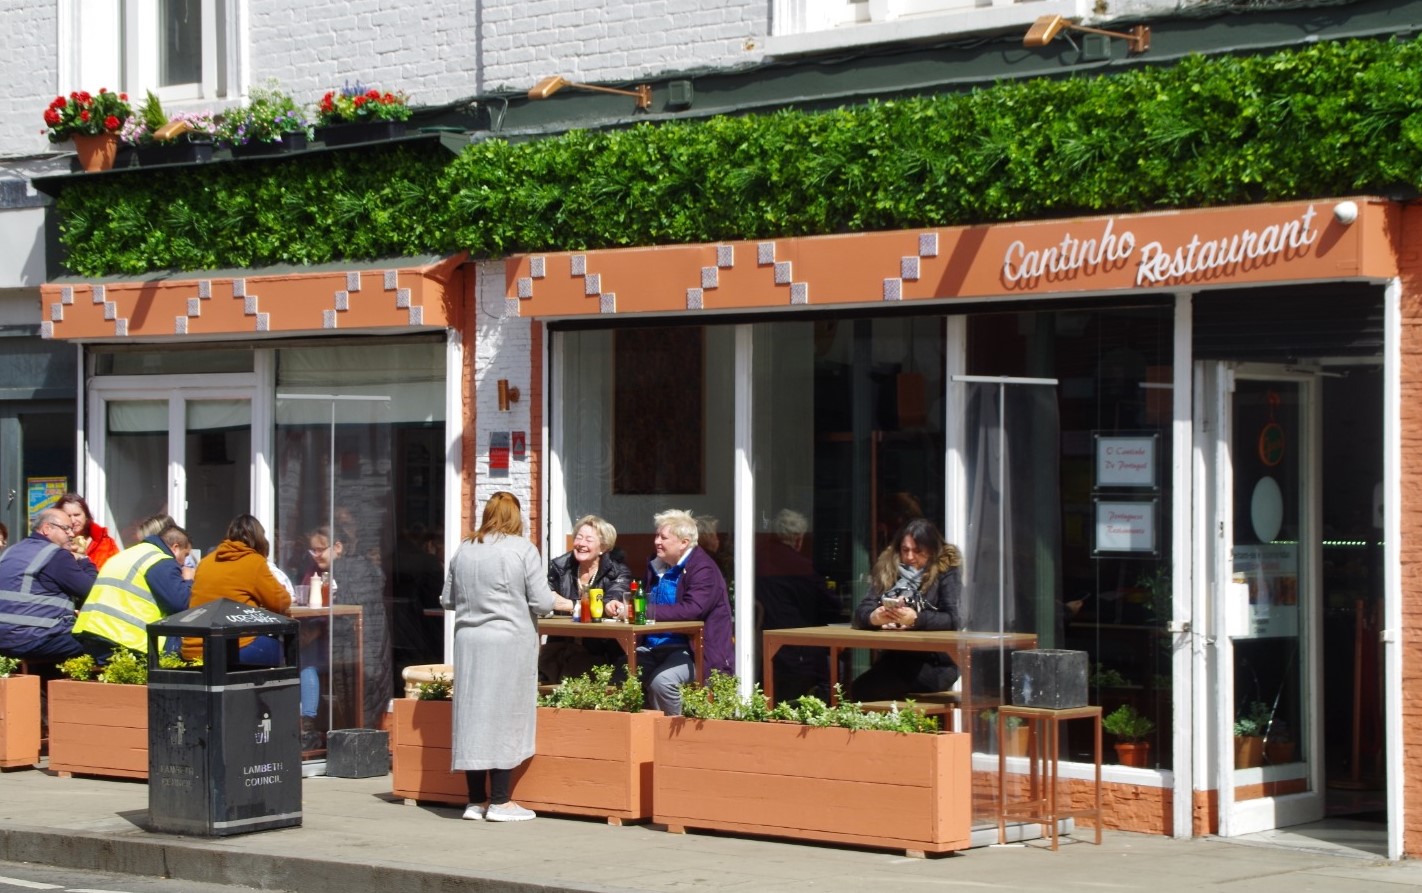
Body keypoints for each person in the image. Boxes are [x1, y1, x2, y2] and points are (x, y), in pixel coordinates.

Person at [441, 491, 552, 823]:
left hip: (470, 642)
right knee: (506, 716)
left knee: (472, 716)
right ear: (516, 518)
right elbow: (543, 603)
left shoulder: (464, 549)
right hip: (508, 642)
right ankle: (501, 801)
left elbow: (448, 599)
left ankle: (475, 801)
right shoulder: (522, 550)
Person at [630, 508, 733, 716]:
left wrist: (641, 611)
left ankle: (673, 735)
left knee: (663, 682)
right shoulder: (656, 565)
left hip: (692, 650)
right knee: (619, 677)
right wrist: (623, 605)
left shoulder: (703, 569)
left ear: (684, 542)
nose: (657, 541)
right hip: (650, 647)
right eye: (656, 536)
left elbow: (692, 610)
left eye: (664, 537)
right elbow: (645, 599)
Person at [850, 517, 962, 702]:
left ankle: (893, 730)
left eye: (918, 551)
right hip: (895, 659)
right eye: (905, 550)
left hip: (934, 665)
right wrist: (876, 617)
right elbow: (861, 612)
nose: (910, 557)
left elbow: (955, 618)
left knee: (863, 689)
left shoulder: (946, 571)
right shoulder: (888, 569)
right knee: (863, 688)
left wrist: (915, 619)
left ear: (932, 550)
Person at [304, 525, 391, 730]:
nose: (316, 555)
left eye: (320, 549)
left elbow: (358, 614)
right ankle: (309, 724)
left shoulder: (355, 570)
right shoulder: (319, 572)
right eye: (312, 550)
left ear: (338, 547)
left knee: (359, 697)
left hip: (360, 648)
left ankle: (312, 726)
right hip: (340, 649)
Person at [73, 520, 194, 662]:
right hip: (128, 640)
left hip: (93, 632)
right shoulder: (160, 560)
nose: (183, 563)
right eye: (185, 555)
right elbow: (181, 604)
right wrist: (189, 580)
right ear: (175, 547)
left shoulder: (126, 554)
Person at [182, 514, 292, 665]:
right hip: (233, 647)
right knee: (287, 649)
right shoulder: (253, 562)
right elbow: (281, 602)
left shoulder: (206, 562)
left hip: (194, 648)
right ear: (260, 539)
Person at [754, 508, 838, 700]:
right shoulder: (799, 566)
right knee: (828, 673)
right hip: (798, 647)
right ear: (798, 538)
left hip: (767, 642)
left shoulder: (758, 560)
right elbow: (831, 604)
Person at [540, 514, 631, 682]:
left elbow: (608, 606)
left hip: (600, 652)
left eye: (589, 540)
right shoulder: (560, 568)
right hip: (560, 649)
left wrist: (571, 605)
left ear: (602, 547)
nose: (581, 544)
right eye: (579, 538)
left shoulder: (617, 573)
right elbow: (542, 597)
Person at [0, 508, 97, 661]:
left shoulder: (11, 550)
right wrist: (84, 560)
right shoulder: (56, 555)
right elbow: (92, 590)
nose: (72, 534)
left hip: (4, 638)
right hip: (34, 638)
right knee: (101, 646)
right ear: (46, 528)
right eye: (66, 529)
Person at [56, 493, 120, 571]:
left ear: (86, 516)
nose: (73, 520)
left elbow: (116, 570)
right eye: (68, 516)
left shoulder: (104, 542)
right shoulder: (54, 543)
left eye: (76, 515)